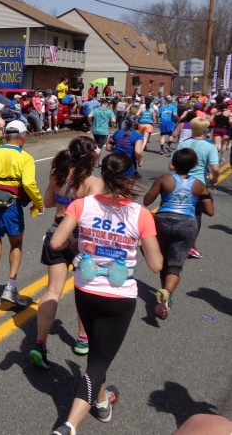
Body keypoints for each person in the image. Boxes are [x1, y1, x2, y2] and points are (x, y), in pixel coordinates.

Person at [49, 152, 163, 435]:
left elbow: (56, 242)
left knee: (97, 355)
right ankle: (69, 426)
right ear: (132, 179)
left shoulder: (81, 205)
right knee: (98, 363)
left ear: (104, 176)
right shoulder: (141, 215)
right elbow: (156, 264)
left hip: (85, 290)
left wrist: (76, 240)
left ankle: (102, 403)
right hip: (119, 296)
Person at [31, 136, 103, 369]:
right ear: (91, 157)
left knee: (53, 289)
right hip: (81, 238)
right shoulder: (93, 183)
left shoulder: (57, 175)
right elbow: (92, 216)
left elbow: (48, 202)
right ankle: (82, 338)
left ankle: (40, 342)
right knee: (84, 289)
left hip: (57, 231)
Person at [0, 120, 43, 316]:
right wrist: (38, 202)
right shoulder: (25, 157)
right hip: (11, 207)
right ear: (23, 137)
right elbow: (28, 184)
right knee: (16, 244)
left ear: (5, 136)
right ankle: (10, 288)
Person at [143, 148, 213, 320]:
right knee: (176, 262)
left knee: (163, 258)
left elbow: (147, 201)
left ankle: (164, 295)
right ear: (194, 165)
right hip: (187, 224)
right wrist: (200, 199)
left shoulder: (163, 179)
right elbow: (210, 212)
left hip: (162, 222)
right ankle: (167, 293)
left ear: (173, 164)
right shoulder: (199, 185)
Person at [173, 117, 219, 259]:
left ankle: (174, 241)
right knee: (196, 214)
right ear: (206, 130)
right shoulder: (210, 146)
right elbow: (215, 168)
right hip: (199, 184)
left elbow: (171, 165)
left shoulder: (183, 144)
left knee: (177, 210)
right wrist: (214, 179)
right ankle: (190, 246)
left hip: (180, 181)